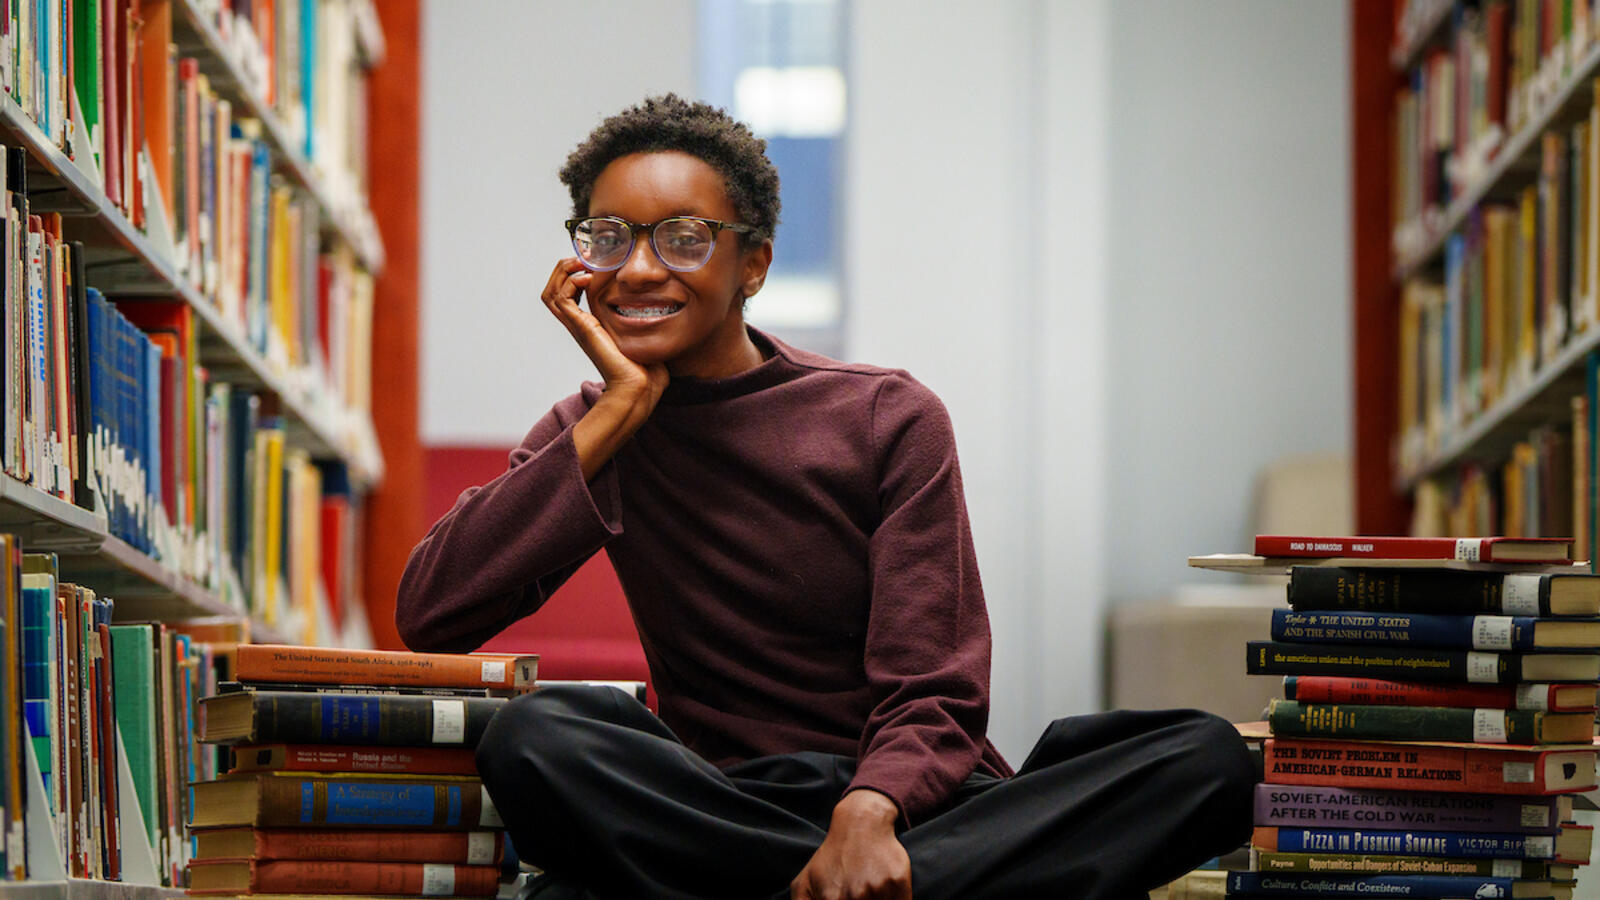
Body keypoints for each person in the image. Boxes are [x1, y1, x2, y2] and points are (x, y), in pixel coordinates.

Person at [396, 94, 1253, 900]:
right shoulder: (595, 430)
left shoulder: (884, 415)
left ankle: (851, 874)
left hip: (911, 805)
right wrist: (613, 413)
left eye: (685, 239)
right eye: (610, 239)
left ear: (754, 265)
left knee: (1205, 759)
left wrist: (871, 810)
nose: (641, 269)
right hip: (722, 799)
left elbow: (937, 681)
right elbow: (433, 612)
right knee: (534, 739)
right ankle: (865, 885)